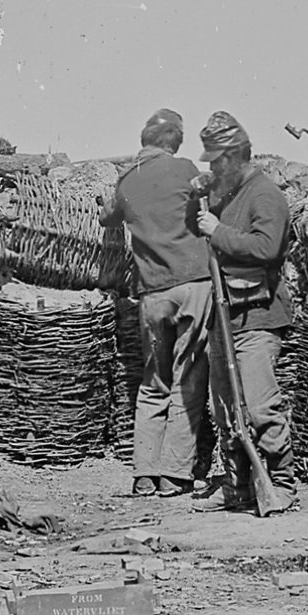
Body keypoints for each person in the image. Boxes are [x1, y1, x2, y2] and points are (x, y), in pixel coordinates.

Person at [99, 109, 213, 498]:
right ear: (175, 142)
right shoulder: (183, 169)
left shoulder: (128, 179)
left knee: (153, 381)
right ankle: (175, 474)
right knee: (189, 378)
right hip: (193, 283)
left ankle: (144, 473)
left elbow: (106, 219)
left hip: (152, 292)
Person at [192, 111, 296, 511]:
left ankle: (280, 483)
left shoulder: (265, 194)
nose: (213, 167)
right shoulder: (226, 193)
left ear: (236, 156)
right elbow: (200, 227)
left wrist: (217, 231)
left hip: (257, 316)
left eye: (217, 160)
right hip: (225, 316)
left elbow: (267, 248)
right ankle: (236, 486)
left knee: (257, 405)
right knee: (224, 407)